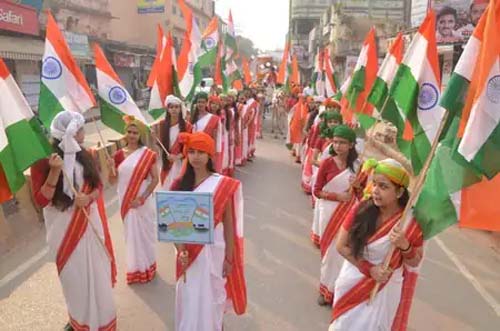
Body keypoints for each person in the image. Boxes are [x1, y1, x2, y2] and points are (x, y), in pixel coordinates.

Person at [31, 111, 117, 331]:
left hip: (90, 224)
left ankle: (103, 320)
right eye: (78, 129)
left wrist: (88, 198)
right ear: (66, 133)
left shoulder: (86, 154)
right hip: (65, 230)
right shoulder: (43, 161)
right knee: (75, 279)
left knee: (98, 274)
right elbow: (41, 200)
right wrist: (54, 172)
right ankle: (79, 321)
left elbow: (98, 186)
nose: (82, 132)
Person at [329, 159, 424, 331]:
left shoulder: (409, 223)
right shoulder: (360, 210)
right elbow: (341, 246)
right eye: (374, 184)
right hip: (355, 279)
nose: (375, 191)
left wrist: (404, 245)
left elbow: (414, 261)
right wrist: (369, 269)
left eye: (383, 186)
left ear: (399, 192)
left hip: (386, 289)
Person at [171, 132, 247, 331]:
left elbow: (229, 224)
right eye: (192, 152)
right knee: (189, 292)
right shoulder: (179, 185)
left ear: (210, 156)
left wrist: (229, 258)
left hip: (215, 250)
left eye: (201, 152)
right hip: (187, 251)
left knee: (211, 294)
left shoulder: (222, 184)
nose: (196, 157)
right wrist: (181, 250)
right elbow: (172, 224)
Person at [107, 116, 159, 285]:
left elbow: (155, 179)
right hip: (126, 201)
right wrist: (110, 168)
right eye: (129, 132)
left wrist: (142, 199)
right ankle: (136, 269)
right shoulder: (118, 155)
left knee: (145, 234)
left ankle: (148, 266)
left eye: (135, 133)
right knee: (131, 236)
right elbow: (112, 181)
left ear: (140, 135)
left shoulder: (148, 155)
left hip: (142, 202)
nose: (131, 135)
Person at [314, 125, 360, 306]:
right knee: (329, 254)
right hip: (329, 211)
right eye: (335, 142)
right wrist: (337, 196)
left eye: (342, 143)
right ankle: (325, 288)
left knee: (343, 253)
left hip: (349, 213)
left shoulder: (358, 166)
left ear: (351, 145)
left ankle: (339, 292)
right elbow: (317, 190)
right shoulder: (327, 163)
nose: (338, 146)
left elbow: (365, 194)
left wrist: (358, 186)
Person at [157, 95, 193, 190]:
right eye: (171, 107)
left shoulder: (187, 126)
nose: (174, 109)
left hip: (181, 162)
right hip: (166, 162)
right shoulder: (162, 124)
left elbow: (189, 147)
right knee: (166, 188)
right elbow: (160, 144)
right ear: (167, 109)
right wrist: (155, 137)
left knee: (179, 189)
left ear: (180, 109)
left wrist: (177, 157)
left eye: (176, 107)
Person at [191, 92, 222, 172]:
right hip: (193, 149)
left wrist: (214, 153)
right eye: (198, 102)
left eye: (203, 102)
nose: (200, 104)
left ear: (206, 103)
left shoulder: (213, 118)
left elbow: (215, 137)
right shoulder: (191, 117)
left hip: (206, 150)